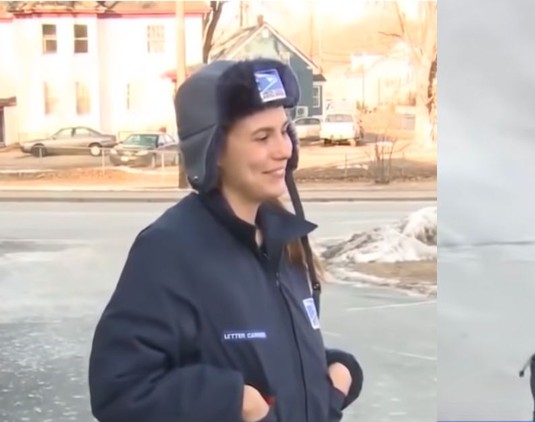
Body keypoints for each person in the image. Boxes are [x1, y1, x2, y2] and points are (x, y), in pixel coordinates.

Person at [87, 59, 363, 422]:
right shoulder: (170, 250)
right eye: (262, 137)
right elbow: (121, 390)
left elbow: (261, 354)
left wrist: (335, 376)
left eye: (285, 131)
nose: (284, 150)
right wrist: (235, 401)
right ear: (214, 151)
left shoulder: (286, 240)